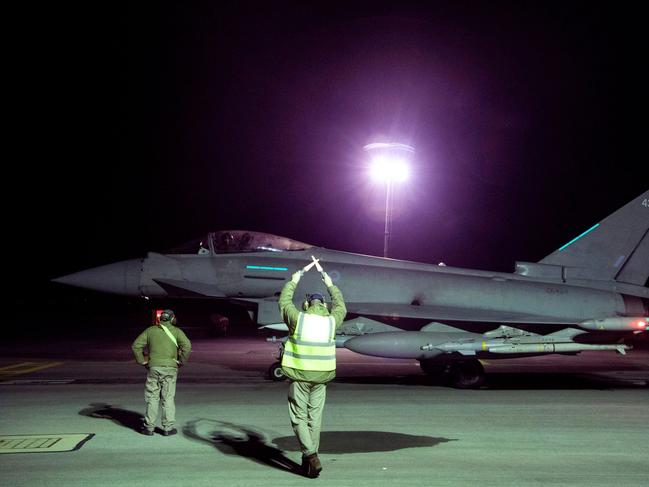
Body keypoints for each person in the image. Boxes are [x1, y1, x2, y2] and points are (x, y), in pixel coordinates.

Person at [279, 260, 346, 478]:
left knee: (299, 417)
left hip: (300, 377)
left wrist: (294, 280)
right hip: (322, 378)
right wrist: (330, 285)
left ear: (307, 305)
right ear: (324, 305)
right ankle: (309, 463)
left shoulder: (298, 319)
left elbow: (284, 301)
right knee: (314, 419)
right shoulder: (331, 322)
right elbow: (341, 307)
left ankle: (310, 455)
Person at [131, 309, 192, 436]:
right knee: (168, 398)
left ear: (160, 319)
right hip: (170, 368)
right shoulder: (177, 331)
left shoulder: (150, 330)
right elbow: (187, 346)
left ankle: (149, 428)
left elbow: (136, 346)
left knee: (152, 398)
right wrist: (181, 361)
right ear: (172, 318)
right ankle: (167, 428)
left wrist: (142, 361)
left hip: (153, 368)